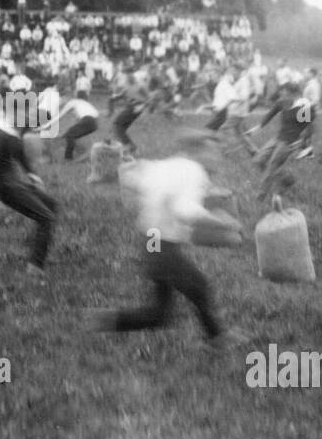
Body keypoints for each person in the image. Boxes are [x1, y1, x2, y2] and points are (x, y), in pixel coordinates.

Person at [93, 130, 242, 345]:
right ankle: (218, 337)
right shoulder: (193, 170)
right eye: (213, 151)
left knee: (160, 315)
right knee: (199, 286)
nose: (217, 157)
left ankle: (102, 321)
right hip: (161, 243)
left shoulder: (168, 165)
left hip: (150, 237)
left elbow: (135, 178)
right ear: (197, 151)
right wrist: (225, 223)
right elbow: (186, 211)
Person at [0, 102, 57, 280]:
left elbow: (20, 155)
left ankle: (35, 246)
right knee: (46, 217)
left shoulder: (14, 132)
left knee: (51, 204)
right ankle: (35, 266)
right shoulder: (5, 135)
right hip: (4, 187)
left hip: (12, 182)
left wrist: (33, 176)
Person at [251, 82, 311, 202]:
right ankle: (287, 179)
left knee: (271, 166)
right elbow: (270, 114)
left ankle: (260, 196)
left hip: (290, 141)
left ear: (294, 94)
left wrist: (303, 144)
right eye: (282, 94)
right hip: (278, 138)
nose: (283, 97)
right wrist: (258, 127)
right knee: (258, 160)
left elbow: (306, 127)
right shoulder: (281, 103)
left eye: (286, 95)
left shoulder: (303, 106)